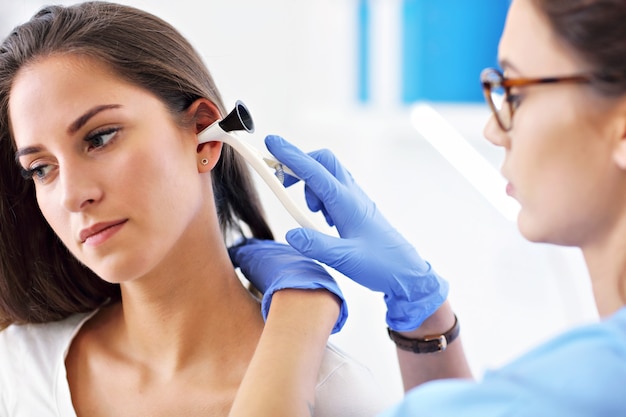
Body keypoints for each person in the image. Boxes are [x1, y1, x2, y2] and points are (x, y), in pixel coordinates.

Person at [228, 0, 626, 415]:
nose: (494, 129)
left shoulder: (585, 389)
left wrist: (299, 311)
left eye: (517, 94)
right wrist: (423, 311)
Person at [0, 2, 392, 416]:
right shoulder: (17, 373)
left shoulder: (336, 395)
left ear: (204, 138)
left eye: (99, 138)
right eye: (42, 168)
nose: (71, 196)